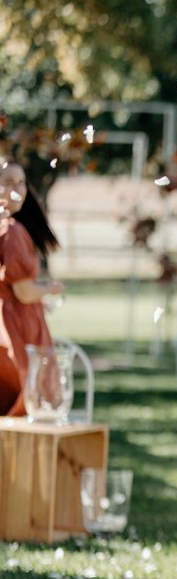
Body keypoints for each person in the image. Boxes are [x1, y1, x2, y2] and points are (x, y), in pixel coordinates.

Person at [0, 159, 64, 416]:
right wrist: (49, 288)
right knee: (25, 406)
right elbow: (23, 292)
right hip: (15, 328)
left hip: (6, 322)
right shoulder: (12, 231)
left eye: (21, 182)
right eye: (8, 182)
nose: (18, 189)